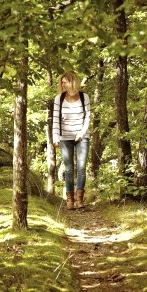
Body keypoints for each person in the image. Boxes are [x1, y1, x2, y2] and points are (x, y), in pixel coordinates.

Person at [52, 70, 91, 210]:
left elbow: (87, 117)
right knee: (68, 169)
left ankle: (80, 199)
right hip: (65, 137)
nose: (62, 84)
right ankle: (70, 200)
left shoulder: (84, 97)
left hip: (82, 136)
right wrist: (55, 137)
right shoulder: (59, 99)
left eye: (65, 82)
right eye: (61, 82)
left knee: (81, 167)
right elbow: (55, 119)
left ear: (72, 82)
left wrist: (81, 133)